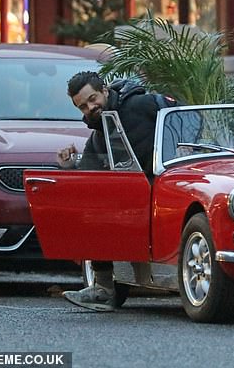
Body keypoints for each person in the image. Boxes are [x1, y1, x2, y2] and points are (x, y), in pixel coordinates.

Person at [56, 71, 161, 312]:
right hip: (135, 201)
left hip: (165, 186)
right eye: (82, 106)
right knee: (92, 208)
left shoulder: (141, 104)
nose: (90, 107)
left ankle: (105, 288)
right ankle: (103, 289)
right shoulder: (99, 134)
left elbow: (183, 120)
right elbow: (87, 176)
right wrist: (68, 165)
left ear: (104, 91)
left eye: (92, 99)